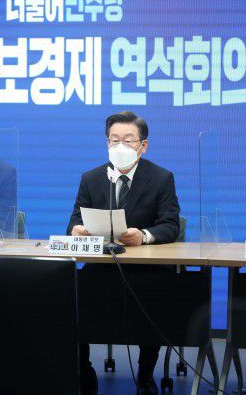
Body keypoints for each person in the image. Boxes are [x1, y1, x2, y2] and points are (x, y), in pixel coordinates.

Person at [67, 111, 181, 395]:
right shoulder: (91, 178)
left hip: (147, 270)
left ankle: (145, 376)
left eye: (128, 141)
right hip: (102, 268)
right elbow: (73, 222)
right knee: (76, 298)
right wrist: (77, 230)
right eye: (114, 140)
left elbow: (171, 225)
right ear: (106, 142)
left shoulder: (161, 178)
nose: (120, 146)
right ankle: (83, 370)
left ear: (143, 146)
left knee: (155, 296)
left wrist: (143, 236)